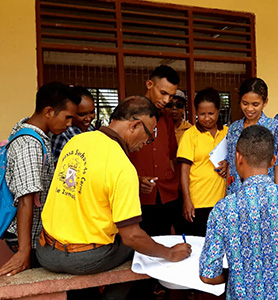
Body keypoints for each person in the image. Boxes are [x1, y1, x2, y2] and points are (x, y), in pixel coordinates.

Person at [36, 96, 191, 296]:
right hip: (83, 258)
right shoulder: (121, 165)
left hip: (46, 250)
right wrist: (169, 252)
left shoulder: (77, 140)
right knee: (140, 248)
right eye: (149, 135)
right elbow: (132, 237)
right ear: (135, 125)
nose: (146, 143)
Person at [199, 125, 278, 300]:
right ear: (273, 161)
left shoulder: (223, 210)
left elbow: (208, 275)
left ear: (238, 158)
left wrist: (236, 278)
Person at [0, 82, 80, 277]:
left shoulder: (27, 129)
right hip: (25, 236)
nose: (69, 124)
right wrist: (24, 251)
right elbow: (26, 199)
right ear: (49, 112)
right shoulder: (30, 144)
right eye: (67, 117)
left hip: (31, 233)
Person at [129, 65, 180, 237]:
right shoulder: (128, 114)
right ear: (149, 84)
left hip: (166, 194)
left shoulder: (166, 119)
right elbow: (116, 157)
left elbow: (172, 155)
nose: (166, 100)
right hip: (138, 196)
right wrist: (135, 179)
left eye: (171, 96)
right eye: (163, 93)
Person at [177, 88, 228, 237]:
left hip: (221, 202)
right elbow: (184, 171)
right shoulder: (190, 135)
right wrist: (187, 200)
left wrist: (228, 164)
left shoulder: (227, 133)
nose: (207, 118)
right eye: (202, 114)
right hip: (197, 203)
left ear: (219, 111)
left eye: (211, 113)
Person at [226, 78, 278, 194]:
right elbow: (231, 163)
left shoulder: (275, 127)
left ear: (265, 102)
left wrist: (277, 194)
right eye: (245, 103)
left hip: (266, 193)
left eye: (255, 104)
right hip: (237, 192)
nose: (249, 109)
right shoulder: (233, 129)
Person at [52, 86, 96, 162]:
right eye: (82, 114)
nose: (88, 118)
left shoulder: (92, 130)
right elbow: (57, 165)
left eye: (92, 112)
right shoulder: (63, 134)